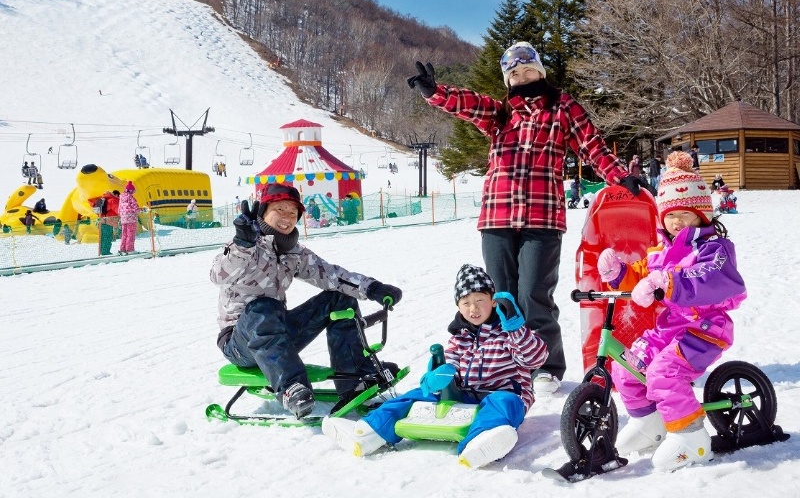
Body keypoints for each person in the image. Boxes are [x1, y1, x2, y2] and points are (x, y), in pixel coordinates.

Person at [407, 42, 641, 395]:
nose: (521, 76)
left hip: (542, 216)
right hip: (497, 216)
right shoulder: (500, 111)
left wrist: (619, 175)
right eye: (514, 73)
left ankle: (546, 364)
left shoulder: (563, 107)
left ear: (540, 71)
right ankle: (504, 362)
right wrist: (434, 92)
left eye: (527, 69)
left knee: (534, 294)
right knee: (501, 296)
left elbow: (592, 145)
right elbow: (467, 104)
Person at [596, 151, 746, 471]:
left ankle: (691, 436)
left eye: (685, 214)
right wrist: (618, 275)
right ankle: (650, 423)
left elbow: (717, 281)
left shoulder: (714, 250)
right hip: (669, 328)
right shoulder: (661, 253)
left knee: (664, 373)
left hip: (704, 329)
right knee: (625, 366)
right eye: (670, 214)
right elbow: (644, 281)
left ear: (702, 215)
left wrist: (669, 281)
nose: (676, 222)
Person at [321, 264, 548, 468]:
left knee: (506, 404)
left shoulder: (508, 331)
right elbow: (449, 366)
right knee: (412, 396)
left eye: (480, 300)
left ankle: (481, 442)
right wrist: (436, 377)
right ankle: (369, 432)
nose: (473, 308)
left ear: (493, 301)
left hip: (500, 393)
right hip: (462, 394)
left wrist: (517, 329)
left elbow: (536, 359)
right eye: (466, 303)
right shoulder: (460, 337)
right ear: (458, 306)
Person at [210, 183, 403, 419]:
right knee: (264, 307)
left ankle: (355, 379)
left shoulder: (294, 253)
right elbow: (217, 276)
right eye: (279, 209)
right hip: (239, 342)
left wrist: (372, 287)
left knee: (339, 298)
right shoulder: (247, 247)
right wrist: (242, 245)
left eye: (293, 213)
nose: (286, 217)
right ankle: (291, 387)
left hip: (276, 334)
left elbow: (331, 275)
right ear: (263, 212)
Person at [118, 181, 139, 254]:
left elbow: (119, 208)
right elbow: (135, 207)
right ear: (131, 190)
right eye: (133, 191)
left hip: (123, 219)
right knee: (130, 234)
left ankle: (122, 249)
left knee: (124, 234)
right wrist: (142, 210)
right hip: (131, 218)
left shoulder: (121, 197)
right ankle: (130, 249)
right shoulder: (130, 197)